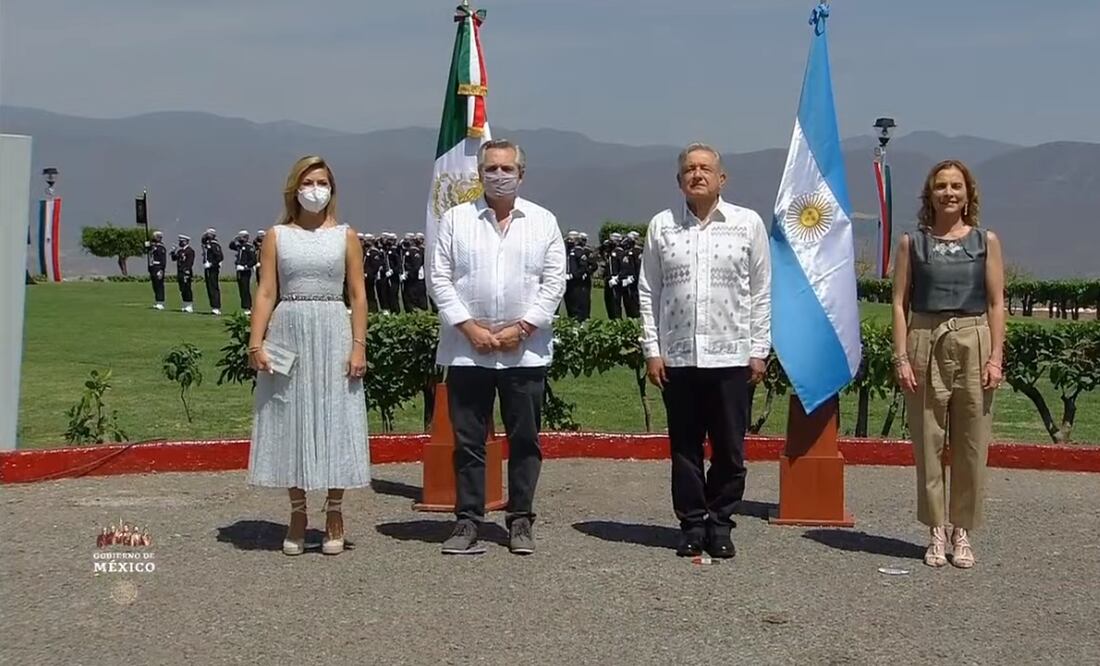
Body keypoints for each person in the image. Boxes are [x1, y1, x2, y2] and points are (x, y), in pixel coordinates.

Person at [430, 139, 566, 556]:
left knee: (525, 438)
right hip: (468, 350)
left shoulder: (543, 222)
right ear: (480, 174)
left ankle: (521, 519)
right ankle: (468, 520)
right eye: (491, 168)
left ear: (521, 174)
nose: (499, 175)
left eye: (507, 169)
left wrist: (522, 328)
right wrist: (469, 328)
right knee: (469, 441)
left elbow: (554, 281)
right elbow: (439, 278)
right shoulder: (455, 219)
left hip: (524, 352)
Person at [639, 143, 771, 559]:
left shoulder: (747, 223)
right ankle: (692, 524)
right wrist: (651, 350)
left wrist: (759, 349)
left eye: (705, 169)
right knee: (685, 448)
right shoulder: (662, 226)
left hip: (732, 356)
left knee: (731, 450)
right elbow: (649, 291)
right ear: (679, 181)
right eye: (689, 170)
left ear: (721, 178)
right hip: (678, 356)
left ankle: (721, 523)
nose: (697, 175)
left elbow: (762, 291)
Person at [247, 155, 370, 557]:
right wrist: (256, 342)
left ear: (331, 189)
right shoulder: (277, 235)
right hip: (290, 329)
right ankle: (298, 513)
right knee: (290, 416)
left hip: (333, 327)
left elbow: (357, 294)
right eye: (308, 181)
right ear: (294, 188)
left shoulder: (346, 236)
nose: (314, 189)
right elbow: (266, 291)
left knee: (336, 415)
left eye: (322, 182)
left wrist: (358, 346)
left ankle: (335, 512)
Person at [891, 159, 1005, 570]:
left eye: (957, 185)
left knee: (972, 442)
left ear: (968, 193)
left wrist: (996, 356)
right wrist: (901, 356)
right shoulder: (911, 243)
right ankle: (935, 529)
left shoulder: (985, 241)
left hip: (974, 338)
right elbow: (899, 303)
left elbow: (996, 301)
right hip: (926, 337)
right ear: (930, 194)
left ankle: (963, 530)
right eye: (941, 186)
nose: (949, 192)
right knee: (928, 440)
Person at [229, 230, 256, 314]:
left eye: (242, 237)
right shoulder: (240, 246)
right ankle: (244, 307)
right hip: (239, 270)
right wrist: (235, 239)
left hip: (245, 271)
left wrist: (246, 266)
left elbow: (253, 260)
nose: (241, 238)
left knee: (245, 288)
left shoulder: (249, 247)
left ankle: (248, 307)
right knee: (241, 289)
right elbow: (231, 246)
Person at [400, 233, 429, 311]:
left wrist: (408, 274)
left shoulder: (415, 251)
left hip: (415, 279)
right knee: (408, 298)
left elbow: (416, 266)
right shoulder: (409, 250)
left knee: (417, 298)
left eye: (407, 240)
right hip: (410, 279)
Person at [169, 234, 195, 313]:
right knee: (182, 288)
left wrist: (187, 270)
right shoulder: (180, 251)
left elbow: (190, 262)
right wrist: (173, 252)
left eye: (182, 241)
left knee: (187, 288)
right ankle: (185, 304)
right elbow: (174, 259)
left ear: (186, 242)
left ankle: (189, 305)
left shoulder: (190, 251)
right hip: (180, 272)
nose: (180, 243)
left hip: (186, 272)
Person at [601, 232, 625, 319]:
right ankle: (612, 321)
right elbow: (600, 251)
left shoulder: (620, 252)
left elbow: (624, 267)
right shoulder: (610, 252)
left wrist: (617, 278)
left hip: (615, 281)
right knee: (609, 303)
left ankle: (617, 322)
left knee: (615, 304)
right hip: (609, 280)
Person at [200, 228, 224, 315]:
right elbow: (202, 240)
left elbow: (219, 257)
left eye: (209, 234)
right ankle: (213, 306)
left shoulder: (214, 245)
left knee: (214, 286)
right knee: (209, 287)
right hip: (208, 268)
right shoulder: (207, 244)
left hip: (213, 268)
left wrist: (211, 264)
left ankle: (216, 306)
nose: (207, 235)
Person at [144, 230, 168, 310]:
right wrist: (147, 244)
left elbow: (163, 260)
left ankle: (161, 302)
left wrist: (161, 270)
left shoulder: (161, 248)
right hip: (152, 267)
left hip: (158, 267)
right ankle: (157, 301)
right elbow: (147, 249)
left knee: (159, 285)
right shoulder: (153, 247)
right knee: (155, 285)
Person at [363, 233, 385, 313]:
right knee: (368, 295)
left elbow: (375, 266)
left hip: (371, 278)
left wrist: (369, 274)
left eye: (367, 241)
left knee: (371, 295)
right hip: (366, 277)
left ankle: (374, 311)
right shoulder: (368, 251)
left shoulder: (374, 252)